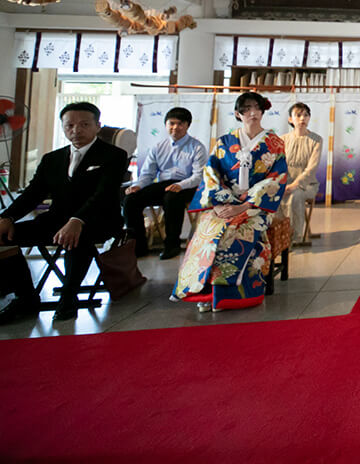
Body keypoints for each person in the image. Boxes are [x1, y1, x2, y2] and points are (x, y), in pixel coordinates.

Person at [0, 102, 128, 322]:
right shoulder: (52, 159)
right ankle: (26, 298)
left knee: (77, 237)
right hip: (56, 220)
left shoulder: (114, 155)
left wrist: (77, 220)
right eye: (70, 125)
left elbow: (103, 194)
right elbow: (33, 194)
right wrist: (7, 217)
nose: (76, 130)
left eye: (84, 124)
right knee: (3, 237)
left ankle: (68, 298)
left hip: (100, 220)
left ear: (97, 126)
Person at [172, 92, 286, 312]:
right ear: (237, 114)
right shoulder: (224, 142)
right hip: (224, 202)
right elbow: (211, 173)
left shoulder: (274, 143)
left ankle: (229, 295)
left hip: (256, 206)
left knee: (236, 234)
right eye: (246, 109)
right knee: (206, 232)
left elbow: (276, 179)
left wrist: (244, 206)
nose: (252, 113)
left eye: (256, 108)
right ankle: (202, 292)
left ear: (262, 111)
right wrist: (218, 204)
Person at [123, 106, 207, 259]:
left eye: (180, 124)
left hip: (188, 186)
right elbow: (148, 174)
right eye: (172, 123)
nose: (175, 127)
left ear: (187, 126)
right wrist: (137, 186)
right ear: (166, 125)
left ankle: (172, 245)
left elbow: (198, 177)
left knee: (172, 197)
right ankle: (138, 246)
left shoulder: (197, 147)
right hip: (164, 185)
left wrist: (180, 185)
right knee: (130, 199)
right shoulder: (158, 147)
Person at [281, 102, 322, 245]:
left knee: (295, 195)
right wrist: (282, 185)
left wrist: (293, 186)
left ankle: (294, 237)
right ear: (290, 119)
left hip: (307, 185)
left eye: (305, 115)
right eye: (298, 115)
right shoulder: (282, 140)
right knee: (271, 194)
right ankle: (278, 234)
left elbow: (311, 169)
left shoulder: (316, 140)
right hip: (284, 183)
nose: (302, 118)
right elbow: (277, 166)